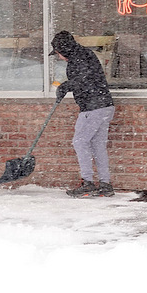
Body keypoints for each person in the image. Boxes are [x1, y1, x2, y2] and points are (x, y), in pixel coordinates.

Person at [50, 30, 116, 197]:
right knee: (97, 145)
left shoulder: (78, 58)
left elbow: (84, 79)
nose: (58, 57)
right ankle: (105, 184)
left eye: (58, 53)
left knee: (80, 142)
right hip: (105, 105)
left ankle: (87, 183)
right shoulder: (84, 54)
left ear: (63, 50)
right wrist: (67, 86)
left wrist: (65, 86)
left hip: (93, 107)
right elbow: (85, 78)